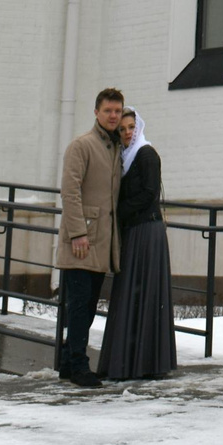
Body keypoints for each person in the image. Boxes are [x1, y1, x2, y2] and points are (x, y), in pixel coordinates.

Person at [98, 108, 179, 380]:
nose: (127, 133)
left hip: (147, 231)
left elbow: (149, 193)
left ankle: (145, 363)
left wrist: (118, 211)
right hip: (134, 231)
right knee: (130, 294)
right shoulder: (123, 158)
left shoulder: (146, 154)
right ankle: (127, 362)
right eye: (122, 129)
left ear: (139, 127)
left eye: (131, 127)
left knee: (143, 293)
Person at [54, 87, 124, 387]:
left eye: (117, 111)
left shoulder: (114, 146)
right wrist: (78, 233)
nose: (113, 116)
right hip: (83, 240)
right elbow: (70, 191)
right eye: (108, 110)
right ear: (96, 112)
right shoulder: (82, 145)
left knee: (88, 304)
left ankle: (68, 362)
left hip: (101, 240)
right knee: (80, 305)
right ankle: (79, 365)